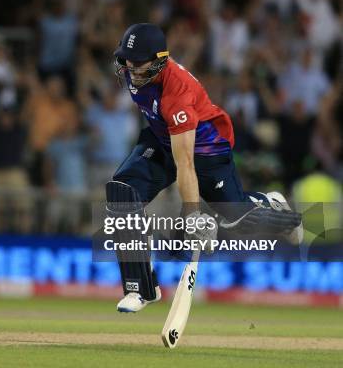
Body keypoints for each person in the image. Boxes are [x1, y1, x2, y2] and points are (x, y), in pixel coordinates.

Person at [107, 23, 303, 313]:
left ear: (160, 62)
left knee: (236, 220)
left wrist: (191, 216)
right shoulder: (139, 74)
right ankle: (141, 289)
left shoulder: (178, 95)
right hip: (163, 138)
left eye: (138, 64)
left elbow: (186, 163)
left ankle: (278, 210)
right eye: (127, 61)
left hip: (206, 147)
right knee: (122, 193)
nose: (131, 70)